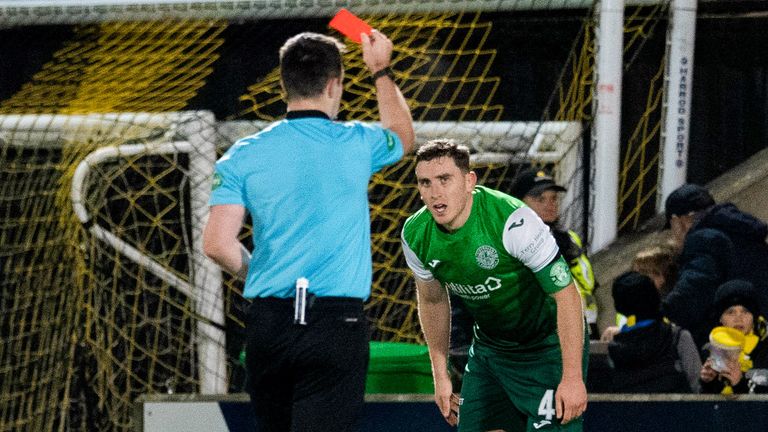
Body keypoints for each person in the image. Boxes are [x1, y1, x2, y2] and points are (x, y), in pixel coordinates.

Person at [202, 30, 414, 432]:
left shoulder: (242, 155)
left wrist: (260, 273)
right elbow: (403, 136)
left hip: (269, 324)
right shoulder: (356, 142)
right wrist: (380, 70)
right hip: (334, 324)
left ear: (284, 84)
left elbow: (216, 244)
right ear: (334, 85)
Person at [401, 140, 587, 431]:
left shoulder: (512, 221)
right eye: (425, 183)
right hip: (491, 350)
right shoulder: (415, 234)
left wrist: (573, 377)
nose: (435, 192)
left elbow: (566, 295)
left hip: (548, 348)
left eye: (444, 179)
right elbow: (432, 300)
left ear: (469, 181)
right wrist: (440, 373)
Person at [661, 183, 768, 349]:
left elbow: (694, 290)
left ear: (678, 221)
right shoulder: (743, 231)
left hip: (741, 341)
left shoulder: (703, 239)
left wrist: (657, 314)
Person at [510, 168, 599, 338]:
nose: (550, 204)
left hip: (585, 326)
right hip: (544, 333)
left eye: (553, 198)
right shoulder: (512, 242)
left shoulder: (569, 238)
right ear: (517, 202)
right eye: (540, 199)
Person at [607, 271, 701, 393]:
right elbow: (698, 388)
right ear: (655, 298)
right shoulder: (677, 337)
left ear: (619, 307)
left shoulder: (614, 350)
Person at [700, 280, 768, 394]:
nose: (738, 318)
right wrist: (708, 382)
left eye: (745, 312)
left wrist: (740, 384)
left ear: (754, 317)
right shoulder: (710, 350)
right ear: (720, 319)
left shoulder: (765, 351)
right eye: (730, 312)